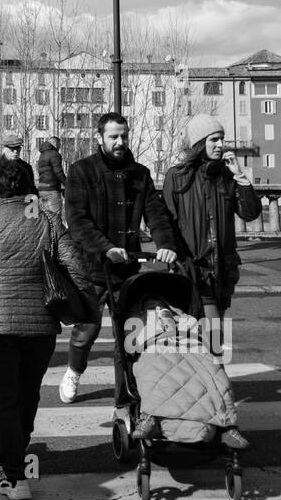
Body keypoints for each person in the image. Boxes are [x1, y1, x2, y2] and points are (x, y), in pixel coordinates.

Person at [0, 162, 92, 500]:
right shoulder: (46, 219)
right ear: (29, 187)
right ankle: (18, 454)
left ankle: (14, 475)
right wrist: (83, 310)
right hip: (40, 323)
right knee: (28, 391)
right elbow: (75, 265)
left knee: (2, 398)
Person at [59, 113, 179, 406]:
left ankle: (124, 399)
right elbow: (76, 220)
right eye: (113, 136)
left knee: (128, 337)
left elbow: (156, 213)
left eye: (123, 136)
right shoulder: (81, 170)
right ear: (99, 137)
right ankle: (75, 370)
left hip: (128, 267)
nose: (120, 142)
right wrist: (106, 247)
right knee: (87, 330)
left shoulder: (140, 173)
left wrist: (166, 244)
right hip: (92, 265)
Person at [162, 114, 262, 322]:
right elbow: (167, 221)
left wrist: (240, 176)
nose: (221, 145)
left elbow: (250, 213)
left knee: (210, 338)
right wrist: (178, 258)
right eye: (214, 140)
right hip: (195, 267)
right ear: (199, 143)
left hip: (224, 269)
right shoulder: (177, 176)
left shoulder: (226, 176)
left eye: (222, 139)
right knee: (212, 334)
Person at [0, 133, 37, 215]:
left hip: (22, 213)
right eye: (12, 149)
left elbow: (32, 192)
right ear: (4, 149)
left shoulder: (26, 167)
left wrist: (32, 214)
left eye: (18, 149)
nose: (15, 152)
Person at [36, 135, 67, 216]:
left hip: (42, 190)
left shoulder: (42, 154)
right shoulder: (55, 154)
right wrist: (67, 184)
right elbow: (58, 172)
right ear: (56, 144)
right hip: (52, 190)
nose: (60, 147)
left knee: (46, 219)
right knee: (55, 219)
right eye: (59, 145)